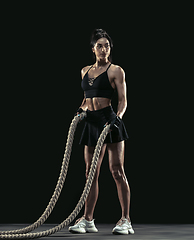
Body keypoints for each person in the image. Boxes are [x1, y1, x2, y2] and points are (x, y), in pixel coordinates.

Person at [68, 29, 134, 235]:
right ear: (93, 49)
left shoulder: (116, 71)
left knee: (116, 170)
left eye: (106, 45)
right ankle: (88, 220)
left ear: (110, 48)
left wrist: (117, 118)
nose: (103, 49)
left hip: (110, 121)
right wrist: (80, 111)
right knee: (90, 173)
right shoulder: (84, 71)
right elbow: (87, 99)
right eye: (99, 45)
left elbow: (123, 101)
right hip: (91, 123)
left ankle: (126, 220)